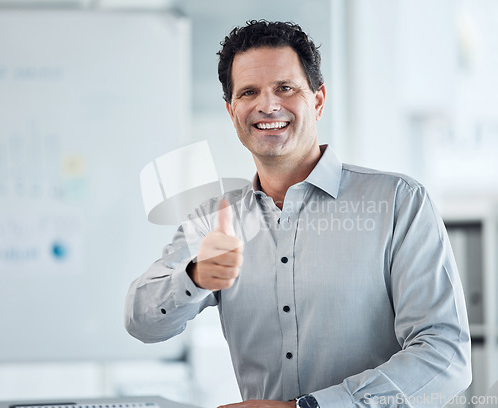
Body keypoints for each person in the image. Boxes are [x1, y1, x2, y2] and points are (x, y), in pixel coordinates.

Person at [125, 20, 471, 408]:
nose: (267, 105)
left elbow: (446, 357)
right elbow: (141, 322)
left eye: (285, 88)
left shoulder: (398, 202)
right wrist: (195, 276)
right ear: (231, 111)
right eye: (249, 92)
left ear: (318, 100)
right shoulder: (214, 219)